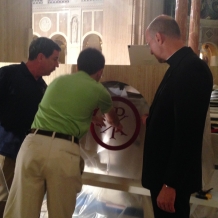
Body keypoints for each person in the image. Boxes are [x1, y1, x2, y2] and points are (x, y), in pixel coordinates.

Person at [3, 47, 123, 218]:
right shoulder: (99, 90)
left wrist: (88, 116)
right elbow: (112, 118)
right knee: (60, 212)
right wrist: (117, 124)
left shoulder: (57, 82)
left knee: (21, 211)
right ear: (100, 72)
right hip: (63, 152)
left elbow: (59, 112)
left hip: (32, 145)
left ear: (77, 67)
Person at [141, 15, 213, 218]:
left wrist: (170, 184)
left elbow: (188, 133)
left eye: (149, 44)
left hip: (171, 181)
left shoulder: (191, 69)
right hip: (163, 177)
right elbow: (175, 117)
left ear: (158, 37)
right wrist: (154, 119)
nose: (150, 50)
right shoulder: (179, 66)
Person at [0, 37, 60, 217]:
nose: (57, 65)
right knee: (2, 197)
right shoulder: (8, 74)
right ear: (41, 57)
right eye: (55, 59)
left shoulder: (42, 86)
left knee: (18, 199)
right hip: (5, 149)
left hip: (28, 153)